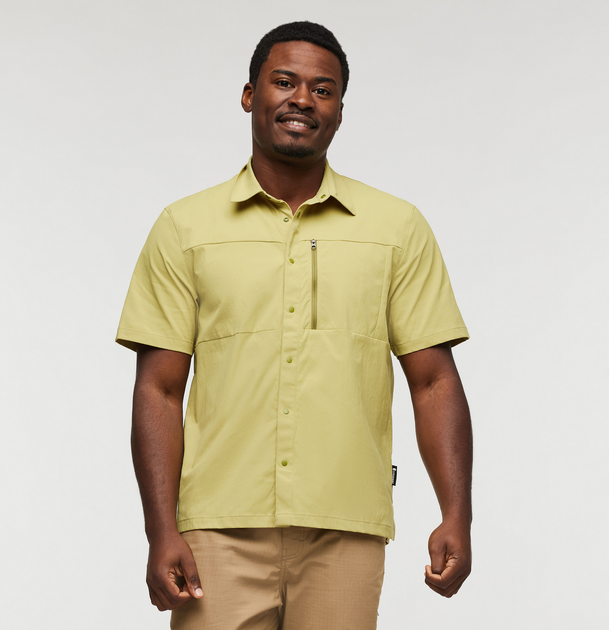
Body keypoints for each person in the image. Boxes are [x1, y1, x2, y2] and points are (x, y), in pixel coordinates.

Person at [116, 20, 472, 630]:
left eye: (323, 89)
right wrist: (161, 529)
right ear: (250, 94)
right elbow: (159, 388)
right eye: (284, 82)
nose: (303, 99)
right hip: (218, 530)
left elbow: (434, 380)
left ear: (340, 112)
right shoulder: (185, 229)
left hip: (345, 527)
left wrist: (456, 513)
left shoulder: (396, 228)